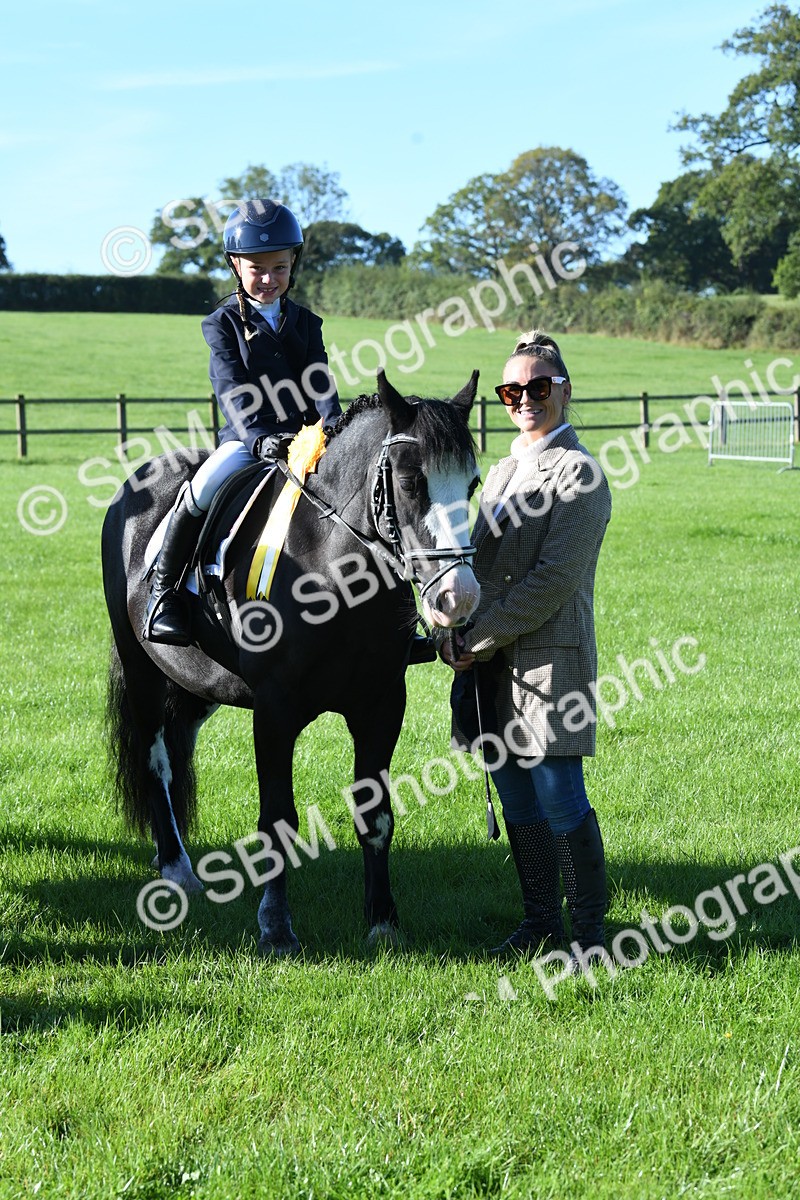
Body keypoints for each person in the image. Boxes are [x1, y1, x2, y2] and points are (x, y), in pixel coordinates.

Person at [444, 331, 612, 964]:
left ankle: (589, 936)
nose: (524, 400)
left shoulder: (580, 473)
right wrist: (449, 630)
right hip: (489, 667)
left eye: (538, 387)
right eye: (511, 391)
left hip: (550, 661)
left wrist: (478, 637)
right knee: (516, 799)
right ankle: (540, 921)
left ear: (563, 390)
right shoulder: (502, 471)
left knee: (559, 795)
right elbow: (474, 568)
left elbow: (551, 582)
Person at [143, 198, 342, 645]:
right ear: (236, 265)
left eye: (280, 268)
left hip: (307, 439)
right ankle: (164, 594)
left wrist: (334, 426)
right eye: (257, 269)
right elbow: (230, 389)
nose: (269, 279)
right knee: (202, 488)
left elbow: (320, 380)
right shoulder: (222, 324)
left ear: (293, 264)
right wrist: (257, 439)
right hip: (248, 441)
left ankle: (395, 617)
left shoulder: (306, 323)